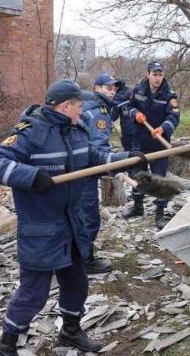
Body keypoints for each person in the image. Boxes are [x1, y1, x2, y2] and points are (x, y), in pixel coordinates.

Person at [0, 80, 146, 355]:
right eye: (79, 106)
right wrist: (32, 176)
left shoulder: (77, 131)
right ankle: (7, 344)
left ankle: (70, 331)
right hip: (41, 228)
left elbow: (94, 159)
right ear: (66, 105)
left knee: (76, 283)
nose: (83, 111)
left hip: (72, 224)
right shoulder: (31, 132)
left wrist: (126, 158)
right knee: (33, 294)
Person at [124, 61, 180, 230]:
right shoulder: (138, 89)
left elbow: (174, 117)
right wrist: (136, 114)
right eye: (154, 74)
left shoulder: (169, 94)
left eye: (160, 74)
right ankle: (138, 207)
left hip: (159, 143)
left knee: (159, 179)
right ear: (148, 74)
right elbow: (129, 106)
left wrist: (163, 128)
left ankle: (160, 214)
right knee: (137, 175)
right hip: (139, 140)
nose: (157, 78)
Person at [80, 73, 119, 274]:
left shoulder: (87, 105)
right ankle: (85, 260)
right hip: (86, 170)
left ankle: (72, 256)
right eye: (108, 88)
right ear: (97, 88)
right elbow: (98, 146)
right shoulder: (99, 112)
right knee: (89, 218)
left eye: (114, 89)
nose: (112, 91)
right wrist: (111, 164)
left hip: (78, 166)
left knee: (77, 215)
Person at [112, 79, 135, 151]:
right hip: (140, 127)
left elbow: (113, 117)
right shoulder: (132, 92)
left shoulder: (117, 98)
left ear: (117, 87)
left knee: (129, 152)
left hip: (127, 130)